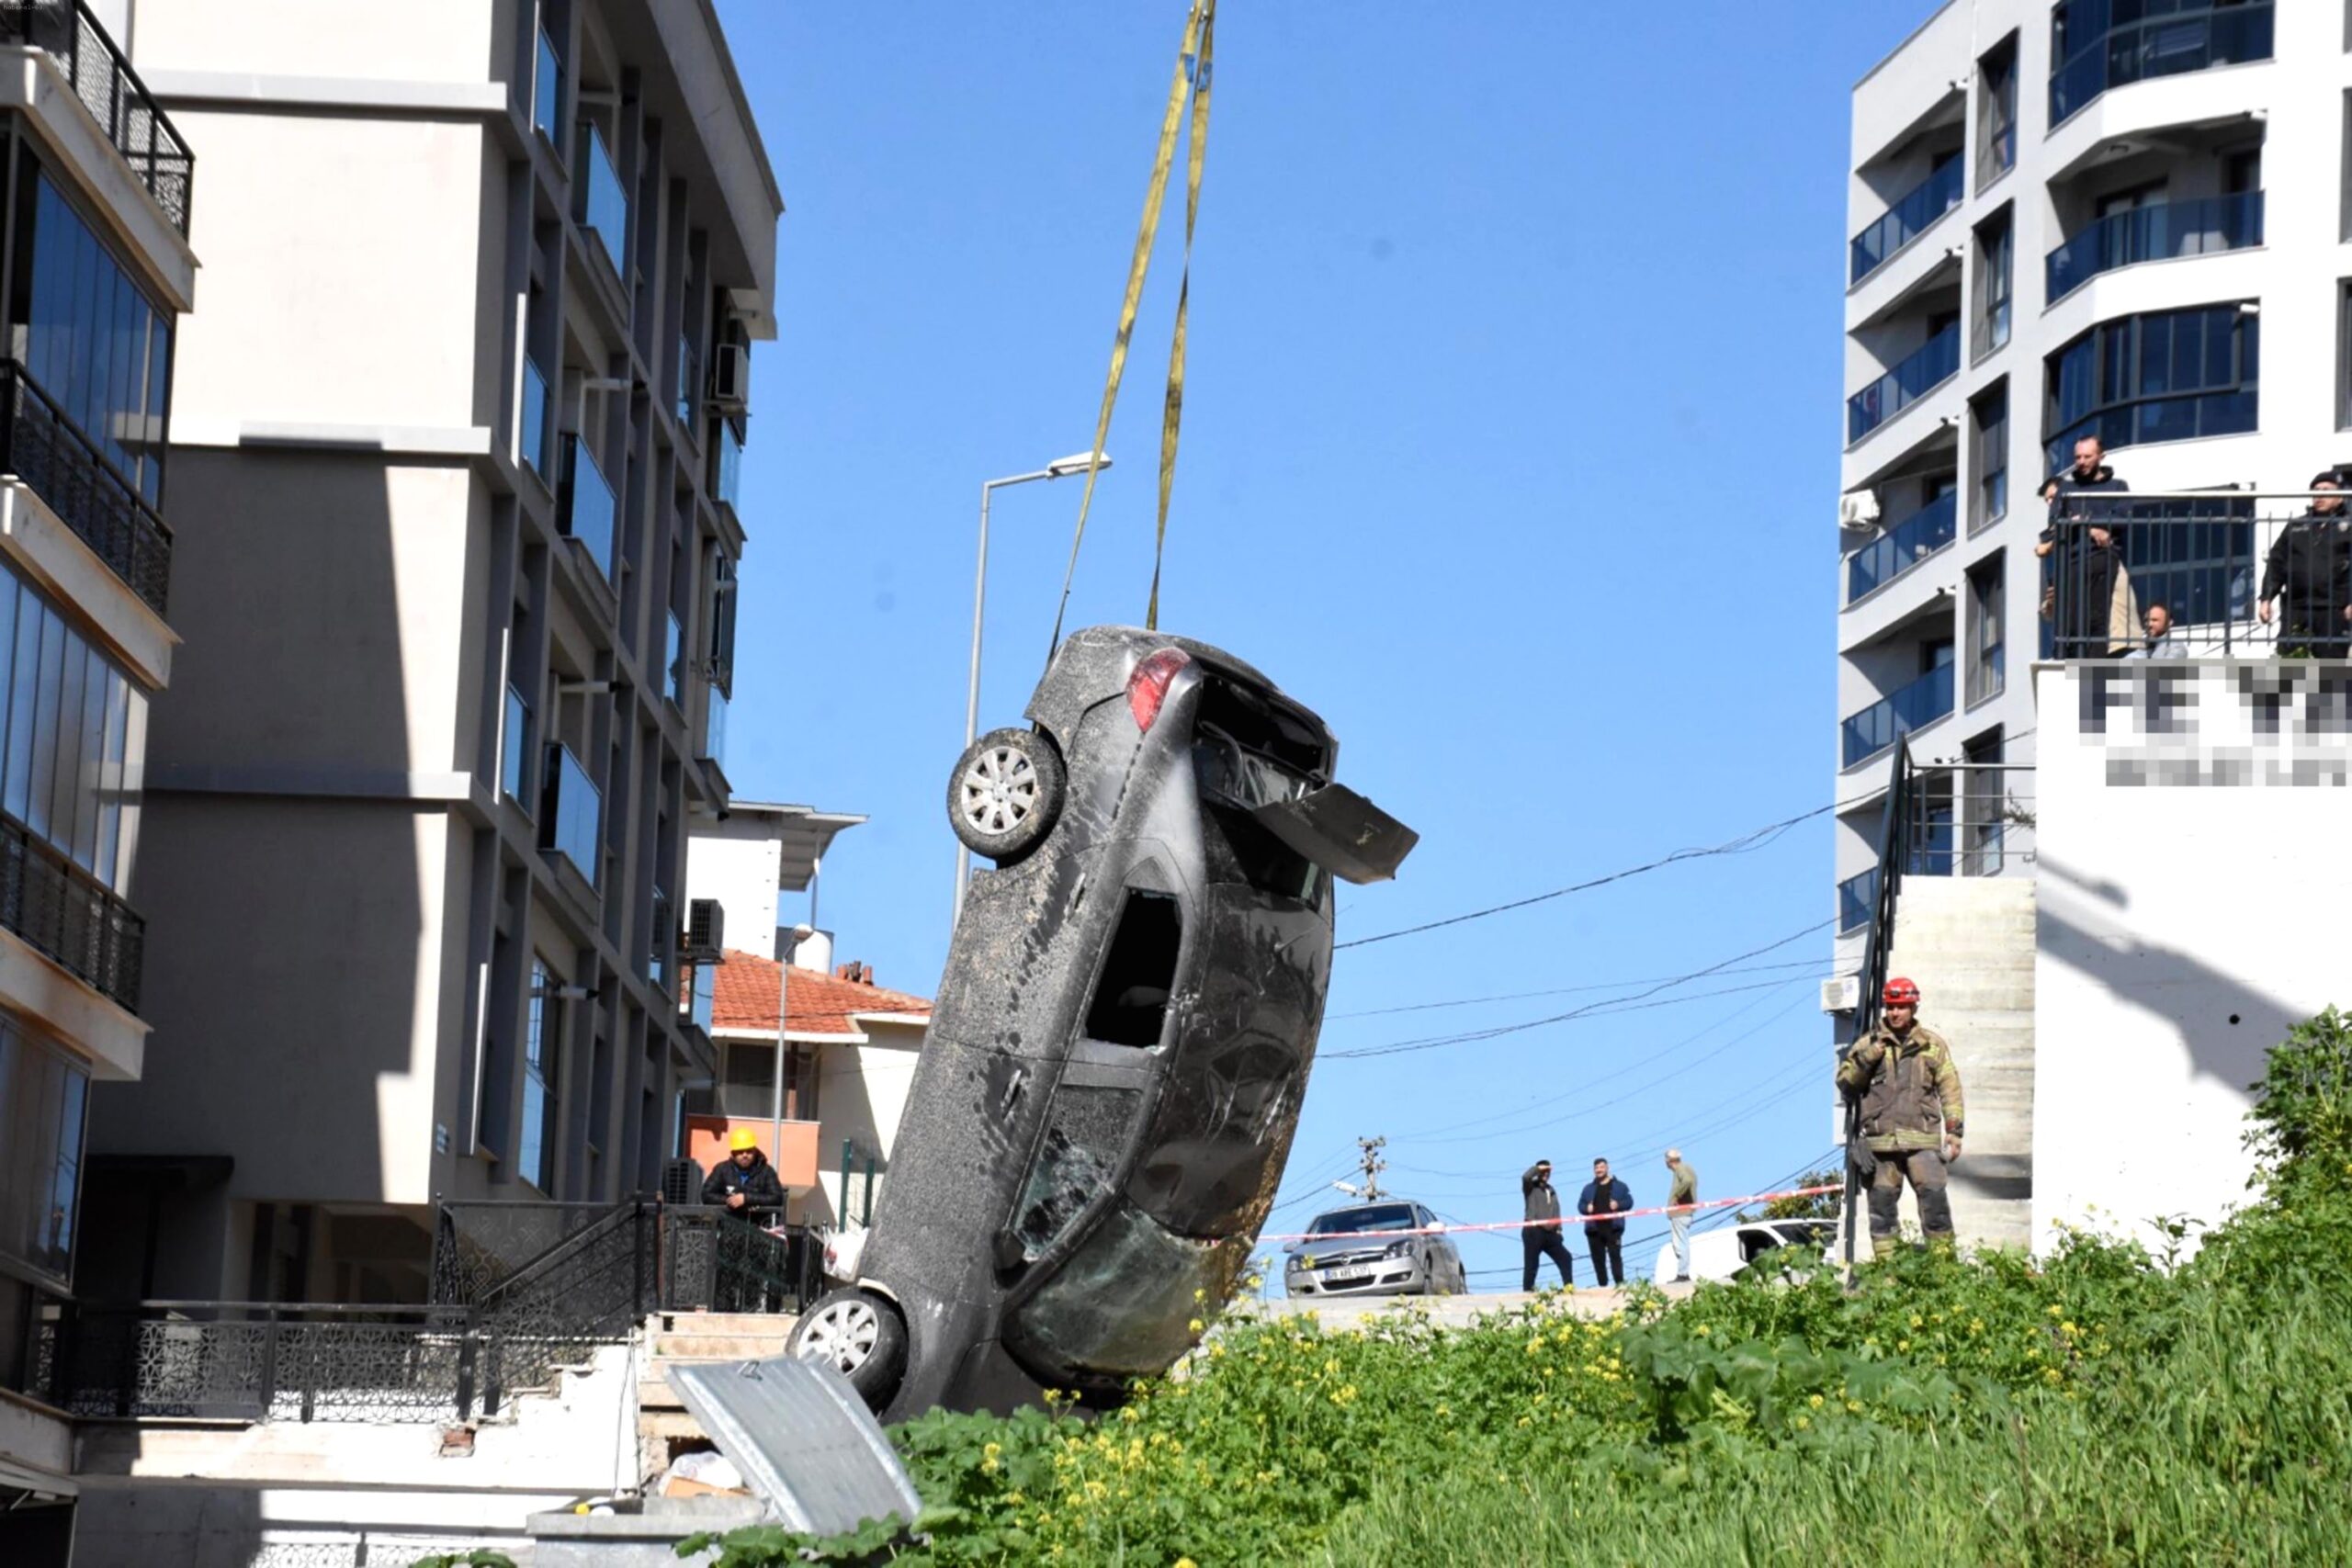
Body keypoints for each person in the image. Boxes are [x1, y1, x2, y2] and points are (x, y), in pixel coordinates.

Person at [1835, 977, 1964, 1254]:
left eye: (1902, 1007)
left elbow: (1950, 1087)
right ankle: (1888, 1272)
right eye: (1891, 1007)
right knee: (1881, 1213)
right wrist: (1870, 1056)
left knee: (1935, 1205)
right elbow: (1845, 1083)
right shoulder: (1867, 1044)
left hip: (1923, 1142)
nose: (1895, 1013)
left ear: (1913, 1008)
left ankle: (1944, 1269)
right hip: (1881, 1144)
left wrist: (1954, 1131)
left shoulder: (1932, 1045)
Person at [2036, 435, 2135, 657]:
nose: (2081, 461)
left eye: (2087, 456)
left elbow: (2122, 519)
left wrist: (2081, 520)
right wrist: (2092, 528)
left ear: (2101, 456)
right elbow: (2056, 523)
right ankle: (2067, 660)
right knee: (2070, 618)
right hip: (2071, 558)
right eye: (2077, 457)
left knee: (2097, 616)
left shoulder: (2117, 486)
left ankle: (2094, 666)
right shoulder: (2067, 489)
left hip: (2102, 557)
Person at [2256, 471, 2352, 659]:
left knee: (2329, 675)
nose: (2320, 495)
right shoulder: (2296, 527)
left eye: (2326, 491)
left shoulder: (2349, 526)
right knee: (2289, 666)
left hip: (2333, 609)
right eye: (2316, 491)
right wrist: (2266, 598)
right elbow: (2277, 563)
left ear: (2340, 497)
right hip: (2296, 607)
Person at [703, 1127, 786, 1224]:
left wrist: (747, 1199)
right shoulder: (722, 1169)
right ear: (733, 1153)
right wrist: (731, 1201)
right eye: (740, 1152)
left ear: (755, 1151)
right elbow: (706, 1194)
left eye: (749, 1151)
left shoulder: (767, 1171)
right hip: (727, 1226)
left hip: (758, 1227)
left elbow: (777, 1197)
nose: (745, 1155)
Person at [1520, 1159, 1576, 1291]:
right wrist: (1538, 1168)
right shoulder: (1530, 1187)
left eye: (1548, 1172)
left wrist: (1559, 1230)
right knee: (1532, 1264)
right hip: (1533, 1231)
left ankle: (1568, 1287)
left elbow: (1556, 1210)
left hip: (1550, 1233)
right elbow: (1525, 1176)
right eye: (1543, 1171)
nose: (1546, 1174)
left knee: (1566, 1258)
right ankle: (1528, 1291)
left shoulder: (1551, 1190)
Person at [1577, 1157, 1632, 1287]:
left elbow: (1629, 1202)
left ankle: (1620, 1284)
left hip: (1613, 1228)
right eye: (1596, 1168)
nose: (1599, 1170)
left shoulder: (1620, 1186)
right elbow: (1580, 1205)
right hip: (1594, 1229)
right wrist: (1586, 1208)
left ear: (1607, 1168)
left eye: (1601, 1167)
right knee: (1598, 1259)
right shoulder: (1588, 1188)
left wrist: (1618, 1204)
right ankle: (1603, 1285)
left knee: (1615, 1256)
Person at [1664, 1149, 1698, 1282]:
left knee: (1680, 1244)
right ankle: (1683, 1272)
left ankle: (1683, 1273)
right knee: (1682, 1242)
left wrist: (1676, 1197)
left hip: (1681, 1213)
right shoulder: (1688, 1168)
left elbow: (1687, 1181)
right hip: (1686, 1212)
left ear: (1668, 1160)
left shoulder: (1681, 1169)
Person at [2122, 603, 2187, 660]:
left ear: (2169, 622)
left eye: (2154, 620)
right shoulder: (2143, 645)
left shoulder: (2175, 647)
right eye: (2146, 620)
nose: (2149, 624)